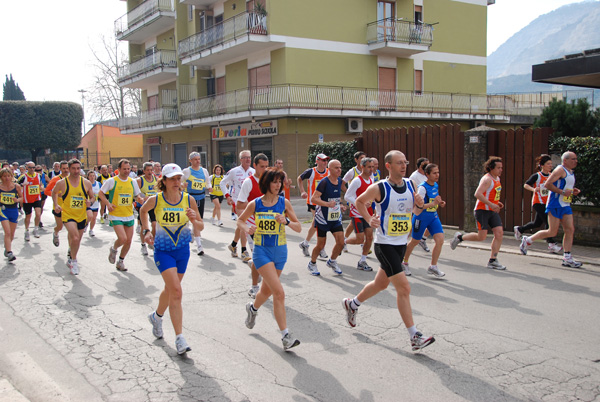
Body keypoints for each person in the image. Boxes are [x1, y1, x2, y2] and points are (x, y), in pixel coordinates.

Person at [342, 150, 435, 351]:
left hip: (401, 243)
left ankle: (353, 304)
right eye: (399, 163)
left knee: (380, 284)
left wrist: (421, 206)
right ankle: (414, 336)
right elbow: (359, 201)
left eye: (405, 162)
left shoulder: (411, 185)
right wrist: (369, 219)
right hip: (384, 244)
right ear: (388, 166)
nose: (404, 166)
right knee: (404, 288)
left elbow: (416, 211)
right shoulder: (380, 188)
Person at [142, 163, 203, 355]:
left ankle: (157, 316)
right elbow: (143, 211)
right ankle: (180, 338)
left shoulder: (189, 199)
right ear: (164, 181)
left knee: (170, 290)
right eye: (173, 179)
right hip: (163, 251)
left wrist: (195, 219)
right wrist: (145, 230)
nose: (177, 182)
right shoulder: (156, 199)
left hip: (182, 251)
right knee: (176, 291)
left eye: (179, 178)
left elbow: (200, 228)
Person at [239, 167, 302, 350]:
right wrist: (247, 228)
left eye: (279, 182)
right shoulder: (255, 204)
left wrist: (287, 222)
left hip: (280, 252)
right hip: (262, 252)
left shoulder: (284, 203)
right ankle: (286, 336)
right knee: (279, 292)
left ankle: (253, 309)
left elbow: (299, 227)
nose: (278, 185)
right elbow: (240, 220)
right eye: (274, 182)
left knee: (266, 291)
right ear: (266, 183)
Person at [519, 152, 583, 268]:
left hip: (565, 204)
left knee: (570, 229)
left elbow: (563, 186)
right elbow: (548, 184)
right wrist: (563, 192)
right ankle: (528, 240)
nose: (576, 161)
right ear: (565, 160)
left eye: (576, 159)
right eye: (573, 159)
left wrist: (572, 191)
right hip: (555, 204)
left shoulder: (570, 172)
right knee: (552, 232)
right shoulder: (559, 170)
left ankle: (567, 257)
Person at [450, 156, 506, 270]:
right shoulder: (487, 179)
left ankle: (493, 260)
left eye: (501, 167)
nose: (501, 170)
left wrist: (497, 202)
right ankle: (460, 238)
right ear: (491, 168)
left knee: (499, 233)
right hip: (482, 211)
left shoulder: (497, 179)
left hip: (492, 210)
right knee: (481, 237)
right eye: (498, 168)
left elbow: (489, 194)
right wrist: (491, 204)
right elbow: (478, 194)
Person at [98, 159, 143, 272]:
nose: (127, 171)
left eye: (128, 169)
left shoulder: (132, 181)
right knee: (122, 238)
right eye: (124, 169)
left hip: (129, 214)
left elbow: (137, 195)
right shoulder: (112, 181)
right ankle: (113, 249)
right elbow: (100, 193)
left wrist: (140, 199)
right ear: (118, 169)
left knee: (128, 241)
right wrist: (108, 204)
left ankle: (121, 261)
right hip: (116, 214)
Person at [402, 164, 446, 277]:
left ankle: (433, 266)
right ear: (427, 174)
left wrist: (439, 202)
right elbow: (418, 205)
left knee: (440, 240)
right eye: (434, 173)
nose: (437, 175)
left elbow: (434, 199)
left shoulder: (435, 185)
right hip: (421, 217)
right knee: (414, 242)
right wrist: (433, 203)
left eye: (438, 172)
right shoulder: (422, 188)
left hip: (433, 216)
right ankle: (404, 262)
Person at [51, 159, 95, 275]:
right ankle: (74, 262)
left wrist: (89, 201)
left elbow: (93, 197)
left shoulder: (86, 183)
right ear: (69, 169)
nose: (76, 171)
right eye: (73, 168)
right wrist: (56, 204)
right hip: (68, 215)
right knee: (75, 238)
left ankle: (71, 254)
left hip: (81, 215)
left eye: (78, 168)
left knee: (77, 240)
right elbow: (54, 192)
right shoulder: (62, 183)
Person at [514, 154, 562, 254]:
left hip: (548, 202)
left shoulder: (551, 175)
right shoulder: (537, 176)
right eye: (548, 164)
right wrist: (534, 189)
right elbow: (526, 185)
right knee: (549, 223)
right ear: (542, 165)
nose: (550, 166)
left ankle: (520, 229)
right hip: (538, 202)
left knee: (537, 223)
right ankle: (551, 244)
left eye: (551, 164)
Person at [237, 153, 269, 298]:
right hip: (252, 225)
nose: (264, 169)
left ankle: (255, 266)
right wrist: (256, 205)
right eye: (262, 166)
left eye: (266, 166)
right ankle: (254, 287)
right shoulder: (248, 182)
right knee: (259, 256)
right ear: (254, 166)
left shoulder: (269, 181)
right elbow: (239, 204)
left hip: (268, 224)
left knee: (266, 257)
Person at [307, 159, 346, 276]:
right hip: (323, 218)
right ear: (330, 169)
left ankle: (332, 261)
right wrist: (327, 204)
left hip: (335, 218)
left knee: (341, 242)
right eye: (336, 168)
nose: (339, 170)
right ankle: (312, 263)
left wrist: (341, 205)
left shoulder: (339, 181)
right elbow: (314, 199)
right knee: (320, 245)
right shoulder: (324, 182)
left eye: (340, 167)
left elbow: (337, 198)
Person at [220, 150, 255, 260]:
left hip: (249, 202)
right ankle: (244, 251)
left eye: (249, 157)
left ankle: (233, 245)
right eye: (245, 157)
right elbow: (222, 183)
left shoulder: (253, 172)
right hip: (237, 202)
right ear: (240, 160)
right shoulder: (234, 171)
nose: (248, 159)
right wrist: (227, 196)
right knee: (244, 223)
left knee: (240, 225)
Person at [344, 157, 375, 271]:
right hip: (357, 214)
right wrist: (359, 203)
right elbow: (347, 196)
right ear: (362, 167)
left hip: (368, 213)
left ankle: (362, 261)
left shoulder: (371, 179)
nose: (371, 169)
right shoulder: (357, 180)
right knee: (359, 239)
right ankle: (343, 242)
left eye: (372, 167)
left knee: (370, 237)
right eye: (369, 167)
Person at [297, 153, 330, 259]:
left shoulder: (329, 172)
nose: (325, 162)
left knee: (315, 225)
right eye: (323, 160)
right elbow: (299, 178)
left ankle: (305, 243)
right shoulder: (311, 171)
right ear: (317, 161)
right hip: (313, 202)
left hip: (324, 202)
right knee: (320, 224)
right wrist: (302, 191)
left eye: (326, 160)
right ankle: (321, 249)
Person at [182, 152, 212, 256]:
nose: (198, 161)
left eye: (199, 159)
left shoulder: (204, 171)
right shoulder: (186, 171)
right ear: (190, 161)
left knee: (198, 221)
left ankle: (196, 239)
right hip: (189, 198)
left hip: (201, 197)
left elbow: (207, 181)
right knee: (190, 220)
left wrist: (209, 187)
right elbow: (179, 183)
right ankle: (199, 245)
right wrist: (183, 185)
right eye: (195, 159)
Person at [341, 151, 367, 249]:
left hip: (364, 200)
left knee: (353, 223)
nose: (363, 159)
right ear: (356, 160)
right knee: (359, 219)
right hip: (354, 201)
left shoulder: (367, 171)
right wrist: (349, 193)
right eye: (361, 158)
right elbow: (342, 184)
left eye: (365, 157)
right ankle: (361, 242)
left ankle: (344, 240)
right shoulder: (352, 172)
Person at [0, 168, 23, 262]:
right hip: (3, 210)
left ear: (11, 176)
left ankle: (7, 248)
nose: (7, 178)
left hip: (13, 210)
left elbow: (21, 197)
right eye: (4, 176)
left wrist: (17, 200)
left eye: (8, 176)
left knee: (12, 234)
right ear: (1, 177)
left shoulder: (16, 186)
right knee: (7, 232)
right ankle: (10, 252)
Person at [408, 157, 431, 252]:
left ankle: (423, 239)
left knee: (431, 223)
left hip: (428, 204)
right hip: (418, 205)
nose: (428, 166)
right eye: (426, 164)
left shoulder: (427, 175)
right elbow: (410, 190)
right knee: (411, 226)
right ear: (420, 166)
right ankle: (403, 242)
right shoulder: (414, 176)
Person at [136, 162, 158, 256]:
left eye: (151, 170)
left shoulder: (156, 179)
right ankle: (143, 244)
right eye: (148, 170)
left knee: (155, 225)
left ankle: (151, 240)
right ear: (144, 171)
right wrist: (141, 198)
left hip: (153, 205)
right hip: (143, 206)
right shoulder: (139, 180)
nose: (150, 172)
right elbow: (135, 193)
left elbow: (159, 191)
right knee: (143, 227)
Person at [45, 161, 69, 247]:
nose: (66, 170)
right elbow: (46, 191)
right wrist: (56, 194)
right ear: (60, 169)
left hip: (70, 209)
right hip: (58, 208)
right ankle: (55, 233)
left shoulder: (73, 179)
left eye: (67, 168)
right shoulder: (56, 179)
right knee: (60, 226)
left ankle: (71, 251)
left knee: (71, 230)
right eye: (64, 168)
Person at [18, 161, 44, 241]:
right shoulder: (23, 176)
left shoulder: (38, 175)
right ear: (26, 168)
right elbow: (16, 185)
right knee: (28, 216)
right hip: (27, 199)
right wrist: (22, 185)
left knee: (38, 214)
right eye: (30, 167)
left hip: (37, 198)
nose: (32, 169)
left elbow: (41, 184)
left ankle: (35, 229)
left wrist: (42, 187)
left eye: (33, 167)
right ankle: (26, 231)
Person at [86, 170, 101, 237]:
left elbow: (101, 193)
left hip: (96, 204)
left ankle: (91, 230)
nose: (92, 177)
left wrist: (98, 196)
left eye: (93, 176)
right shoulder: (85, 184)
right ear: (88, 177)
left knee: (94, 218)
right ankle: (86, 224)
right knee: (89, 216)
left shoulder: (98, 184)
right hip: (88, 203)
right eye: (90, 176)